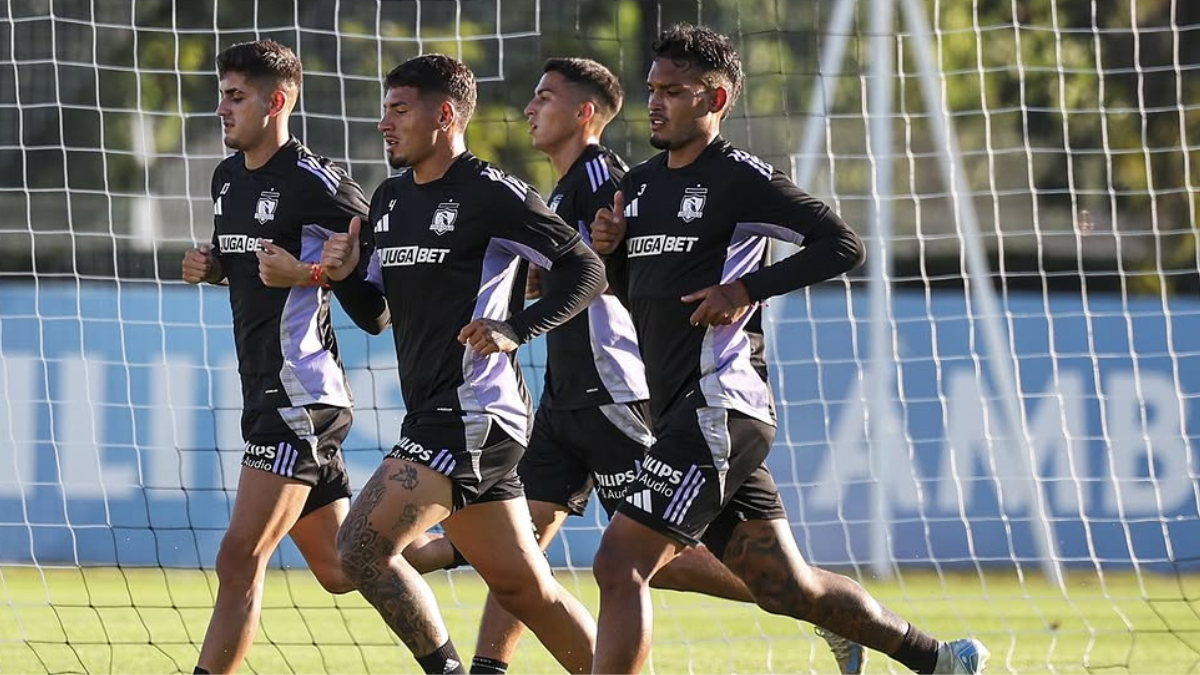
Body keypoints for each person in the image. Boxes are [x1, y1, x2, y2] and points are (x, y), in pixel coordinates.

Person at [586, 24, 991, 675]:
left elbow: (842, 243)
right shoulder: (636, 188)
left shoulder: (741, 177)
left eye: (673, 91)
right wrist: (612, 253)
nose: (655, 103)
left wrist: (747, 286)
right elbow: (643, 300)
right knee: (784, 587)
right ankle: (941, 659)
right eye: (652, 90)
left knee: (619, 562)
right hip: (678, 409)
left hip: (720, 402)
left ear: (714, 101)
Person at [460, 56, 867, 675]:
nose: (530, 109)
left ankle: (817, 608)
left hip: (612, 393)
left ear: (583, 112)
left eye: (545, 97)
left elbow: (618, 279)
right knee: (521, 554)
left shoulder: (608, 177)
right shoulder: (570, 184)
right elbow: (606, 270)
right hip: (565, 394)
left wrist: (740, 287)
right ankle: (486, 667)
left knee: (644, 559)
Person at [319, 54, 604, 675]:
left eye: (398, 109)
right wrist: (342, 278)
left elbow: (587, 268)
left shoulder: (492, 193)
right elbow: (375, 314)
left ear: (444, 115)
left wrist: (516, 328)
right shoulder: (389, 199)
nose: (383, 124)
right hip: (444, 414)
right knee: (527, 591)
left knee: (359, 550)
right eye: (384, 109)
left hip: (474, 412)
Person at [180, 39, 370, 675]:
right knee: (345, 567)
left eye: (235, 97)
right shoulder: (227, 177)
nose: (221, 108)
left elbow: (377, 271)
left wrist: (312, 272)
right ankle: (475, 554)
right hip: (265, 391)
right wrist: (210, 268)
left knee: (239, 556)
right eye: (222, 95)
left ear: (277, 101)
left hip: (302, 394)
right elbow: (250, 264)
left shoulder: (317, 181)